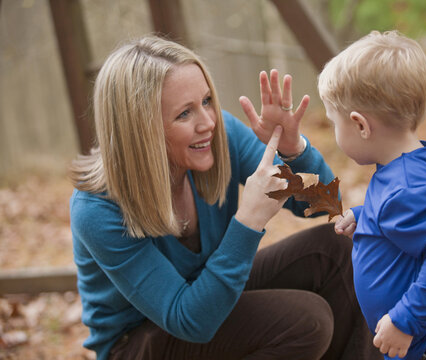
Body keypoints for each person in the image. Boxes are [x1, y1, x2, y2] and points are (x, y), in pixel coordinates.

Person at [69, 35, 382, 360]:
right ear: (141, 130)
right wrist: (248, 222)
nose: (208, 122)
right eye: (184, 114)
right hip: (139, 341)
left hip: (207, 294)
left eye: (206, 101)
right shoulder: (97, 208)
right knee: (306, 320)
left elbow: (325, 206)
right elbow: (189, 320)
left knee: (336, 249)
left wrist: (293, 150)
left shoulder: (218, 137)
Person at [317, 30, 426, 360]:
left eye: (334, 121)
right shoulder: (404, 170)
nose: (333, 130)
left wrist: (405, 320)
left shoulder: (406, 187)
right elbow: (407, 218)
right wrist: (365, 217)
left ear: (360, 125)